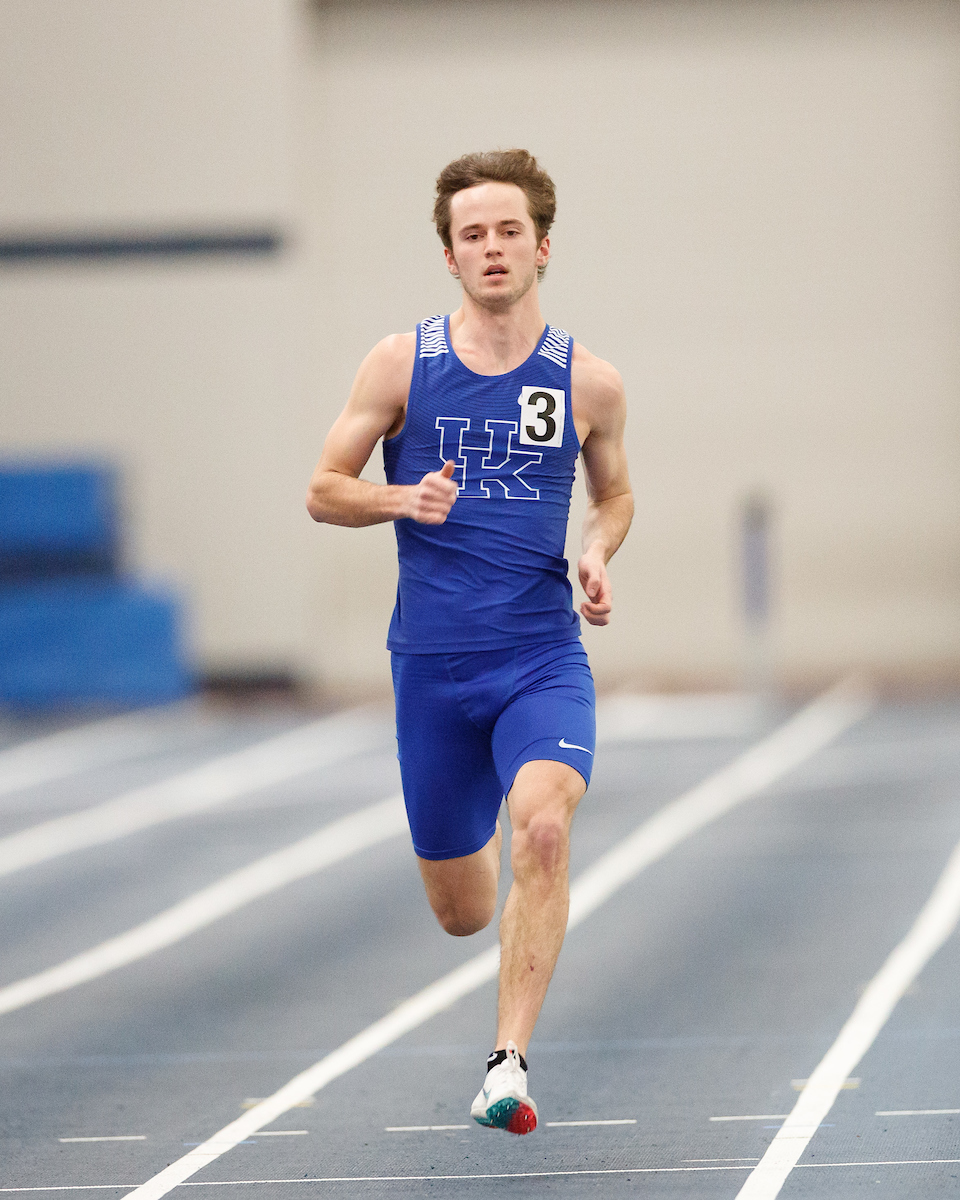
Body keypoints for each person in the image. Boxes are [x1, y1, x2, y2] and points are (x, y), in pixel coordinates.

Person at [306, 149, 632, 1135]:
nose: (491, 248)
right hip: (434, 671)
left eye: (506, 231)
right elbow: (323, 488)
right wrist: (402, 497)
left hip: (540, 655)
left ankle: (507, 1063)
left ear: (542, 245)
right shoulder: (402, 364)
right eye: (470, 235)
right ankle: (487, 838)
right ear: (449, 256)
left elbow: (614, 493)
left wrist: (597, 549)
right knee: (460, 912)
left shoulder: (591, 382)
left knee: (542, 825)